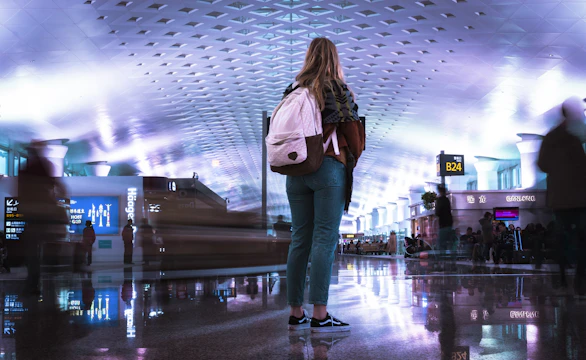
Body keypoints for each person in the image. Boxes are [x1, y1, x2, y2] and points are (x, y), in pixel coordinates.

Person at [285, 37, 365, 333]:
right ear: (334, 59)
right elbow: (354, 135)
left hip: (296, 171)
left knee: (300, 239)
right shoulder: (336, 89)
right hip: (328, 167)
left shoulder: (293, 91)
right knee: (324, 239)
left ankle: (296, 311)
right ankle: (320, 313)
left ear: (308, 57)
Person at [538, 96, 586, 294]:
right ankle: (580, 282)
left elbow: (542, 164)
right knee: (582, 239)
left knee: (563, 236)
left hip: (559, 199)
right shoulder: (576, 137)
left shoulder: (552, 137)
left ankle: (561, 276)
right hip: (578, 198)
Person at [435, 184, 453, 257]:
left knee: (441, 244)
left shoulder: (439, 200)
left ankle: (442, 260)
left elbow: (437, 212)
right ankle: (450, 259)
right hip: (449, 224)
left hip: (443, 225)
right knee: (449, 243)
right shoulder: (447, 200)